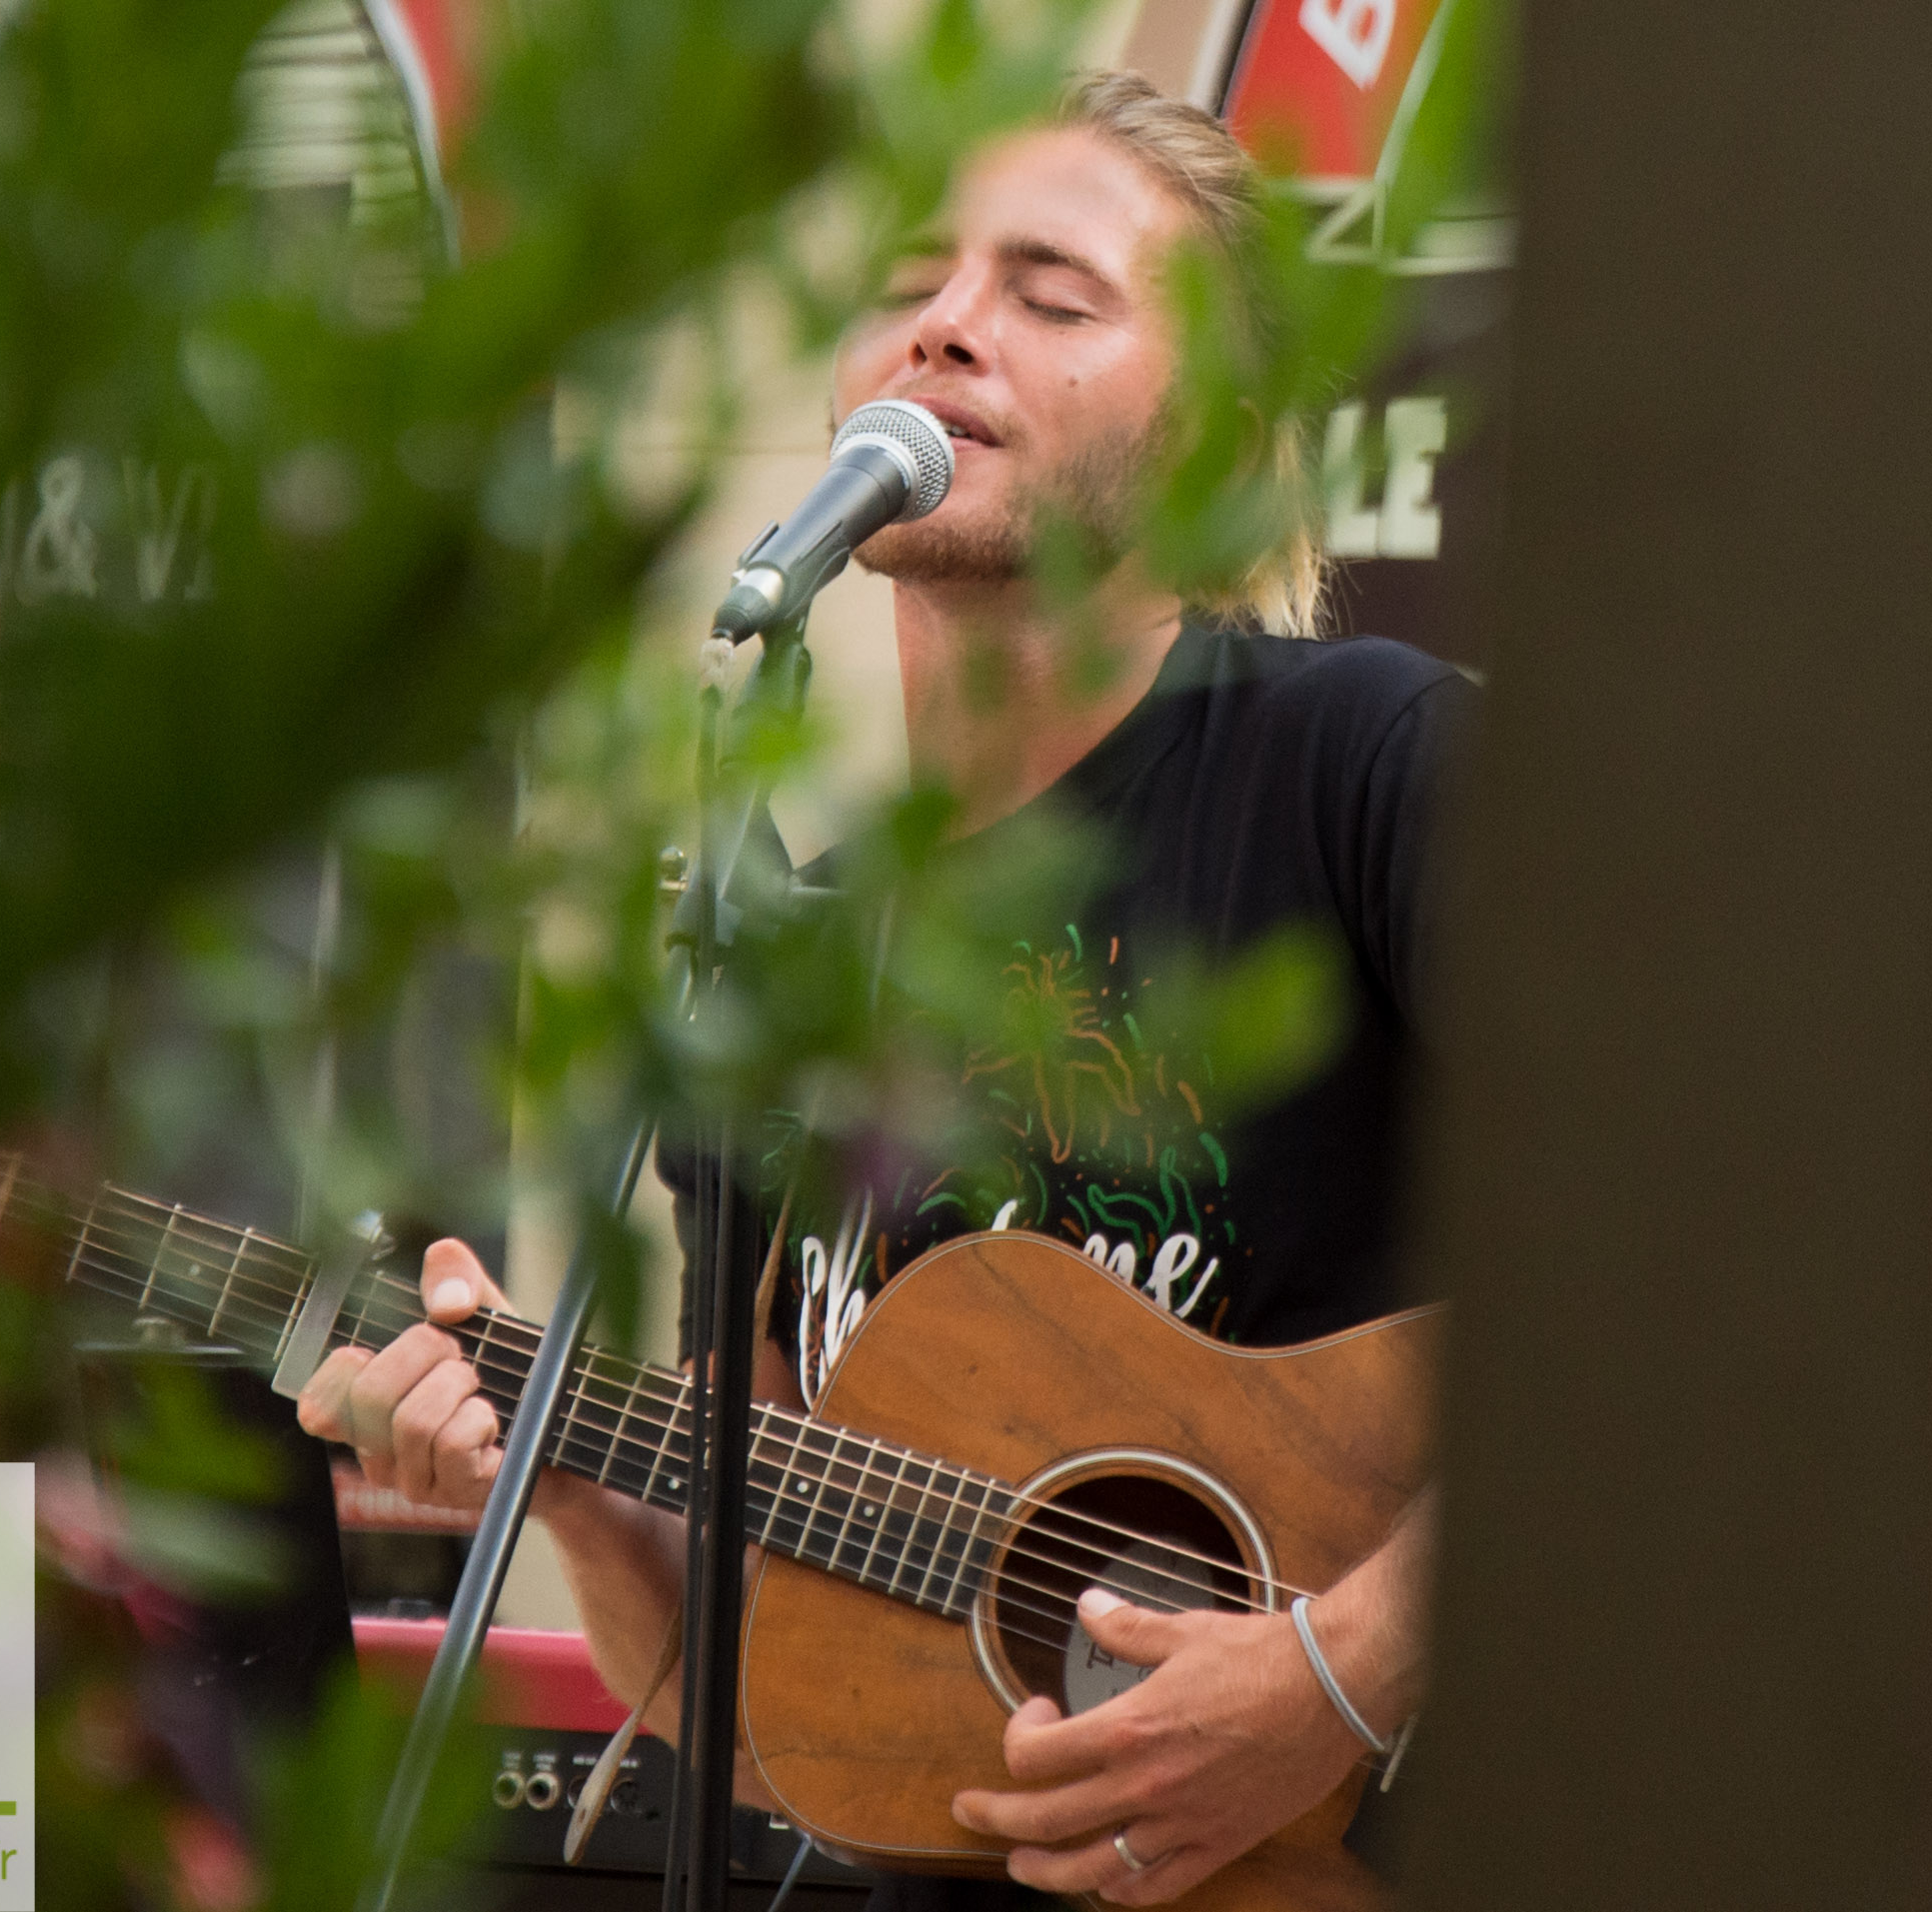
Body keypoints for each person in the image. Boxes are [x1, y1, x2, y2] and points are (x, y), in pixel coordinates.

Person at [299, 71, 1468, 1908]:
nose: (946, 320)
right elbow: (772, 1692)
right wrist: (579, 1492)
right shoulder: (781, 965)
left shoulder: (1363, 765)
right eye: (915, 279)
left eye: (1050, 293)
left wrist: (1336, 1669)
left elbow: (1692, 1257)